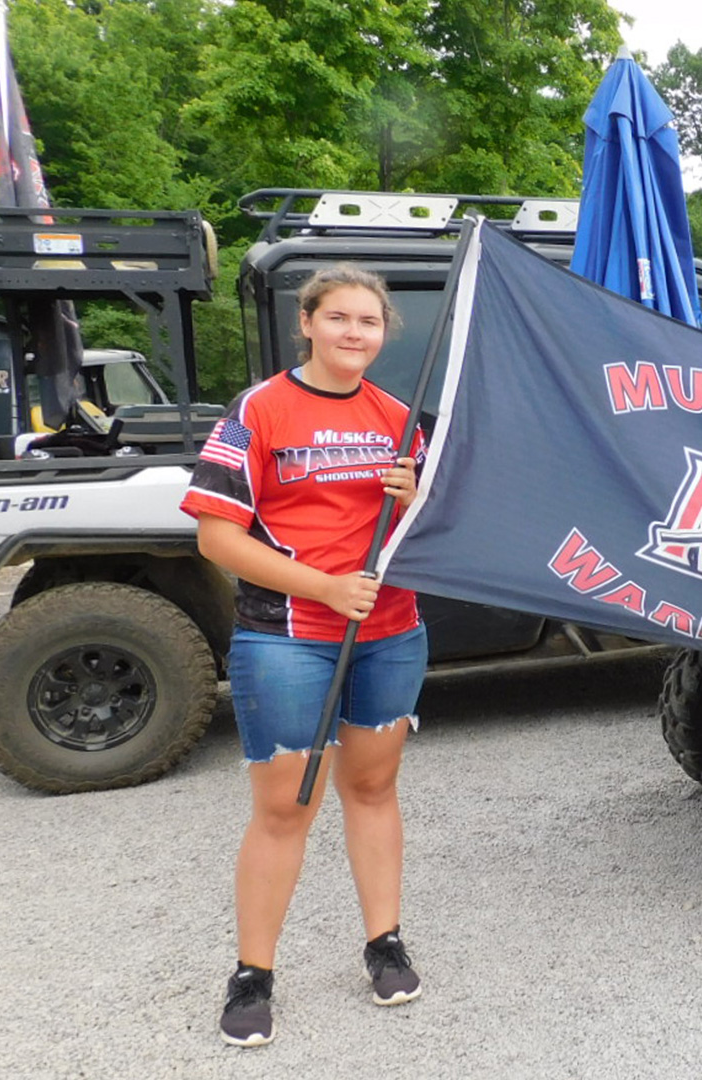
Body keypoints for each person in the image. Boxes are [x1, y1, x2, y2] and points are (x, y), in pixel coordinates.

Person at [180, 265, 428, 1047]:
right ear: (308, 322)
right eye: (340, 318)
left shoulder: (399, 417)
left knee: (374, 785)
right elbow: (216, 537)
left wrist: (415, 495)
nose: (356, 333)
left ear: (385, 332)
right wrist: (322, 587)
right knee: (287, 807)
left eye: (369, 321)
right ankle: (254, 974)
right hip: (288, 634)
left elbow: (427, 537)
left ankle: (383, 943)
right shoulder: (260, 409)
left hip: (390, 631)